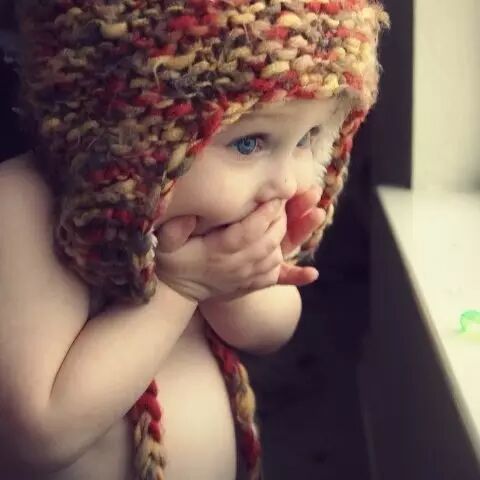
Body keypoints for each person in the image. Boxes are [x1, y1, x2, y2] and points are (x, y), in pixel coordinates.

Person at [0, 0, 389, 479]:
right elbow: (38, 435)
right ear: (128, 131)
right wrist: (181, 288)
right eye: (249, 143)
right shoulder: (26, 206)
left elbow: (271, 331)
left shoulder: (227, 220)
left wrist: (240, 278)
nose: (288, 182)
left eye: (309, 138)